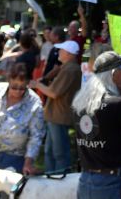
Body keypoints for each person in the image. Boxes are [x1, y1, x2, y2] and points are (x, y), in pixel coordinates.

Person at [72, 51, 121, 198]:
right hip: (110, 180)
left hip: (85, 177)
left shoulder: (79, 102)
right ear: (114, 73)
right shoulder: (118, 104)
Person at [0, 63, 44, 199]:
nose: (17, 91)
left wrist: (28, 162)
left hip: (14, 159)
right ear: (8, 80)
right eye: (14, 87)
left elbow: (36, 136)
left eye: (22, 88)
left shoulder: (34, 103)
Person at [29, 39, 82, 174]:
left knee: (59, 153)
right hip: (55, 115)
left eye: (61, 50)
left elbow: (53, 93)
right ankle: (51, 178)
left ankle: (60, 180)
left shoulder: (70, 70)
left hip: (59, 116)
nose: (58, 52)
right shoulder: (69, 68)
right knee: (50, 152)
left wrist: (37, 85)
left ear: (69, 53)